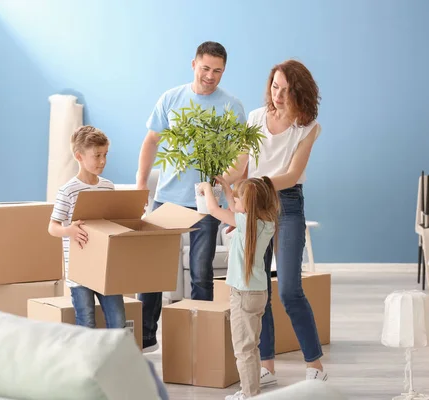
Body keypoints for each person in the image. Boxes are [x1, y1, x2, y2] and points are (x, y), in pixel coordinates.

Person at [136, 41, 246, 352]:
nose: (211, 75)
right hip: (167, 198)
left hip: (207, 203)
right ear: (193, 64)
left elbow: (242, 155)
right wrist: (141, 183)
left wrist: (231, 193)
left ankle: (201, 338)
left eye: (218, 71)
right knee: (153, 271)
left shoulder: (231, 106)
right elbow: (151, 140)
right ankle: (145, 339)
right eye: (206, 68)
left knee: (201, 272)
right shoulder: (171, 99)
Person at [224, 60, 327, 383]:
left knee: (289, 290)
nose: (278, 95)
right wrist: (222, 182)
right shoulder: (255, 118)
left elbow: (292, 174)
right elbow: (240, 166)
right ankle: (266, 366)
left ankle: (315, 368)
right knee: (258, 288)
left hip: (287, 204)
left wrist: (252, 189)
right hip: (254, 203)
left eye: (286, 89)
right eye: (275, 87)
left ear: (300, 91)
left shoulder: (308, 127)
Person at [198, 177, 278, 399]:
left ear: (248, 203)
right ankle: (251, 392)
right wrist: (226, 189)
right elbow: (236, 208)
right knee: (252, 347)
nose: (235, 200)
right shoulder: (266, 221)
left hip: (242, 295)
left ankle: (248, 394)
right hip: (259, 292)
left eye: (239, 197)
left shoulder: (244, 223)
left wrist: (206, 189)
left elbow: (214, 210)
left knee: (243, 350)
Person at [48, 125, 126, 330]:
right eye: (97, 155)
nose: (103, 161)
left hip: (105, 265)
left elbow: (111, 221)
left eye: (105, 155)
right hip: (79, 269)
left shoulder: (108, 186)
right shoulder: (68, 190)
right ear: (79, 156)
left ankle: (117, 361)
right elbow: (52, 227)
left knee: (117, 320)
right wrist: (69, 231)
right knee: (86, 321)